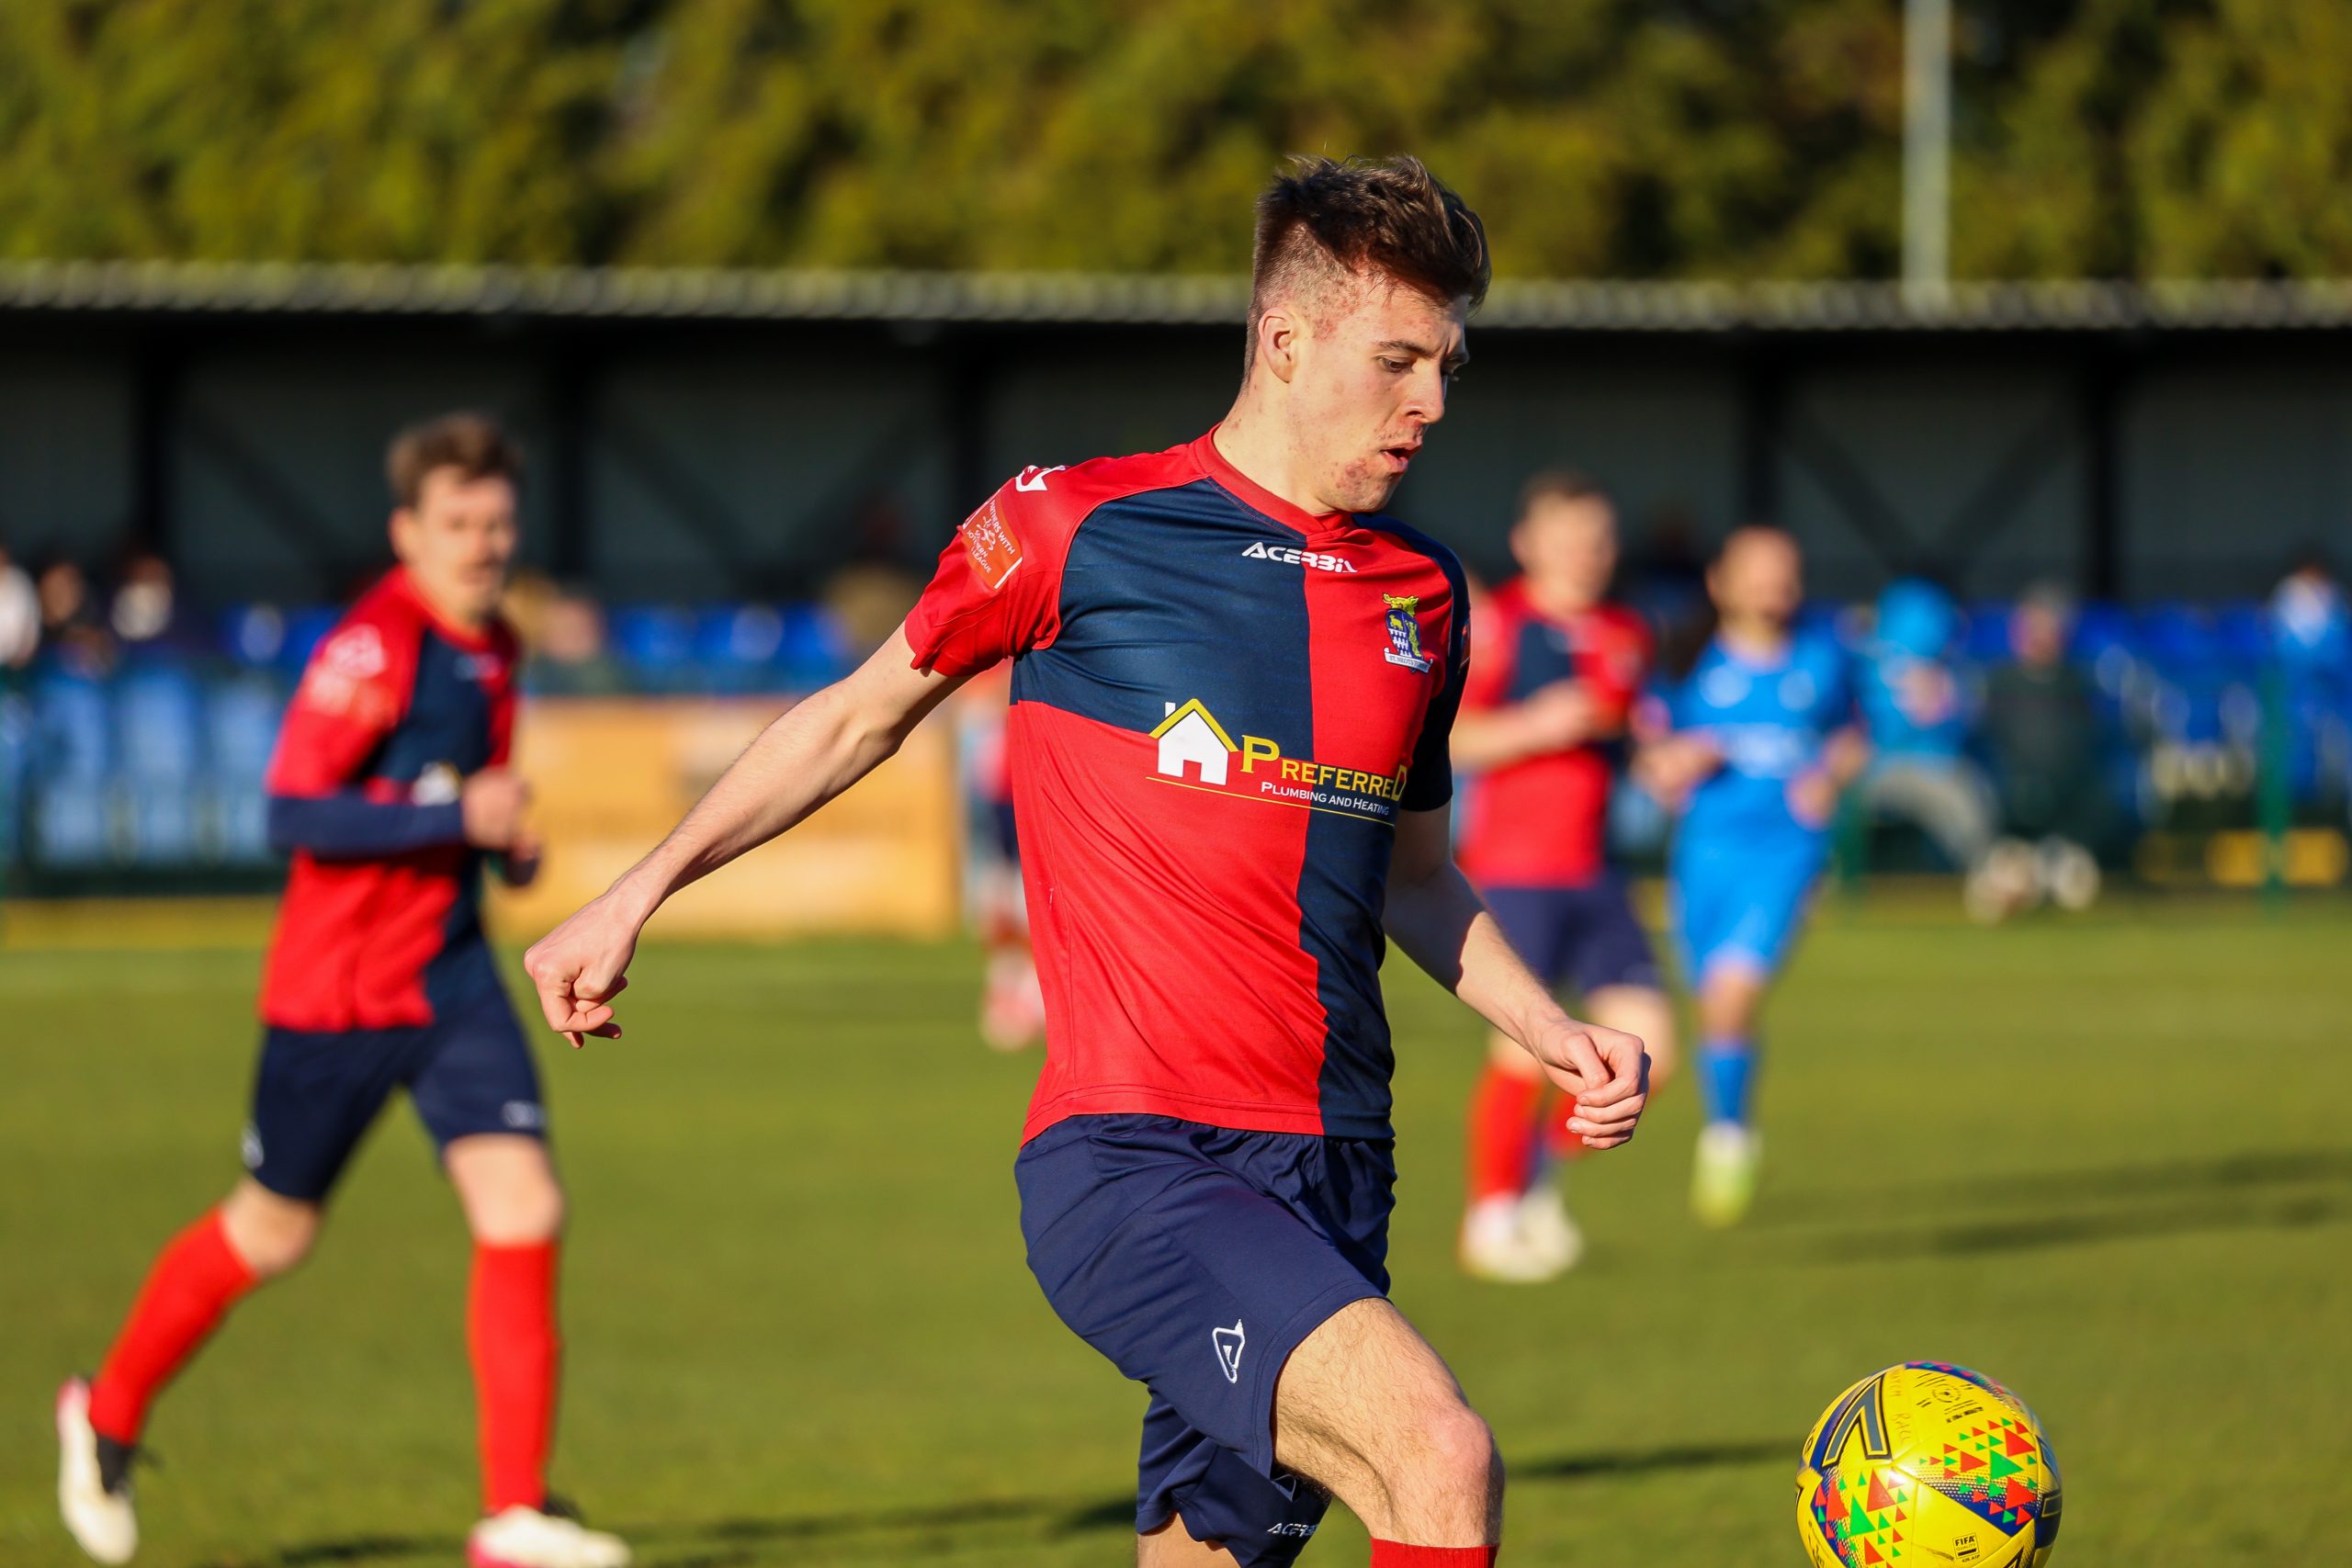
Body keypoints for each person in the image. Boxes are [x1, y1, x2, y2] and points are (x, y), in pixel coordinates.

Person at [520, 156, 1648, 1567]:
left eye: (1447, 366)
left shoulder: (1422, 592)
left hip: (1337, 1166)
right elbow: (859, 714)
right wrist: (635, 891)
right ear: (1284, 340)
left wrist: (1549, 1029)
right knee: (1438, 1451)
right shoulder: (1075, 524)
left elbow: (1414, 875)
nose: (1430, 401)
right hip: (1137, 1158)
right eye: (1398, 360)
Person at [55, 414, 628, 1568]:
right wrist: (452, 814)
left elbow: (463, 798)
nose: (482, 544)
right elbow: (291, 811)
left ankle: (511, 1514)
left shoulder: (496, 645)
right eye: (458, 523)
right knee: (270, 1233)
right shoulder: (374, 646)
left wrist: (501, 846)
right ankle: (104, 1414)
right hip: (339, 993)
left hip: (452, 978)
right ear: (406, 533)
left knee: (525, 1207)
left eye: (498, 522)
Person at [1449, 471, 1676, 1281]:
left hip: (1598, 873)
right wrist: (1533, 726)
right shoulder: (1498, 626)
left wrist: (1663, 761)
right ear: (1528, 543)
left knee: (1650, 1051)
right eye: (1568, 539)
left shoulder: (1625, 631)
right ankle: (1490, 1215)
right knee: (1524, 1055)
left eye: (1598, 539)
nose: (1586, 554)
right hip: (1515, 871)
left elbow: (1628, 737)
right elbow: (1447, 740)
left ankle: (1538, 1176)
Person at [1638, 526, 1866, 1228]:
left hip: (1784, 854)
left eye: (1785, 573)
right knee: (1711, 1002)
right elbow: (1650, 746)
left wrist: (1828, 777)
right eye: (1759, 573)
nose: (1774, 588)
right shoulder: (1689, 662)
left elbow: (1853, 735)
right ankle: (1732, 1121)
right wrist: (1673, 762)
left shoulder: (1822, 658)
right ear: (1721, 582)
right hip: (1704, 854)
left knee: (1731, 996)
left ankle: (1727, 1138)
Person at [1849, 578, 2003, 915]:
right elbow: (1868, 729)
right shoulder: (1870, 666)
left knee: (1967, 786)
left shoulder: (1952, 673)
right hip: (1874, 769)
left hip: (1934, 765)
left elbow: (1963, 726)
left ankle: (1990, 870)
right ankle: (1989, 869)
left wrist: (1944, 700)